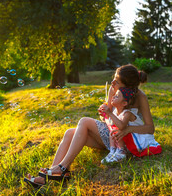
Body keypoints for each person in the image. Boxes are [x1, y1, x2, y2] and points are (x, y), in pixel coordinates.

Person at [24, 64, 162, 188]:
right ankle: (53, 175)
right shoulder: (114, 91)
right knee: (69, 133)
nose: (113, 83)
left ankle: (63, 167)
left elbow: (150, 128)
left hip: (124, 142)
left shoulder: (140, 97)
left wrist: (128, 129)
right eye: (113, 79)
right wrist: (105, 108)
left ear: (127, 86)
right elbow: (106, 116)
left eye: (117, 81)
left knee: (84, 121)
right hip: (111, 135)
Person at [99, 87, 137, 163]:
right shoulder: (116, 111)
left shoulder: (127, 113)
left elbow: (122, 126)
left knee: (118, 130)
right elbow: (110, 122)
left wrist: (109, 113)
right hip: (126, 138)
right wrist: (104, 114)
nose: (113, 97)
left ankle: (121, 152)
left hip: (135, 141)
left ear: (124, 103)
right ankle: (113, 151)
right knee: (112, 131)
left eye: (116, 96)